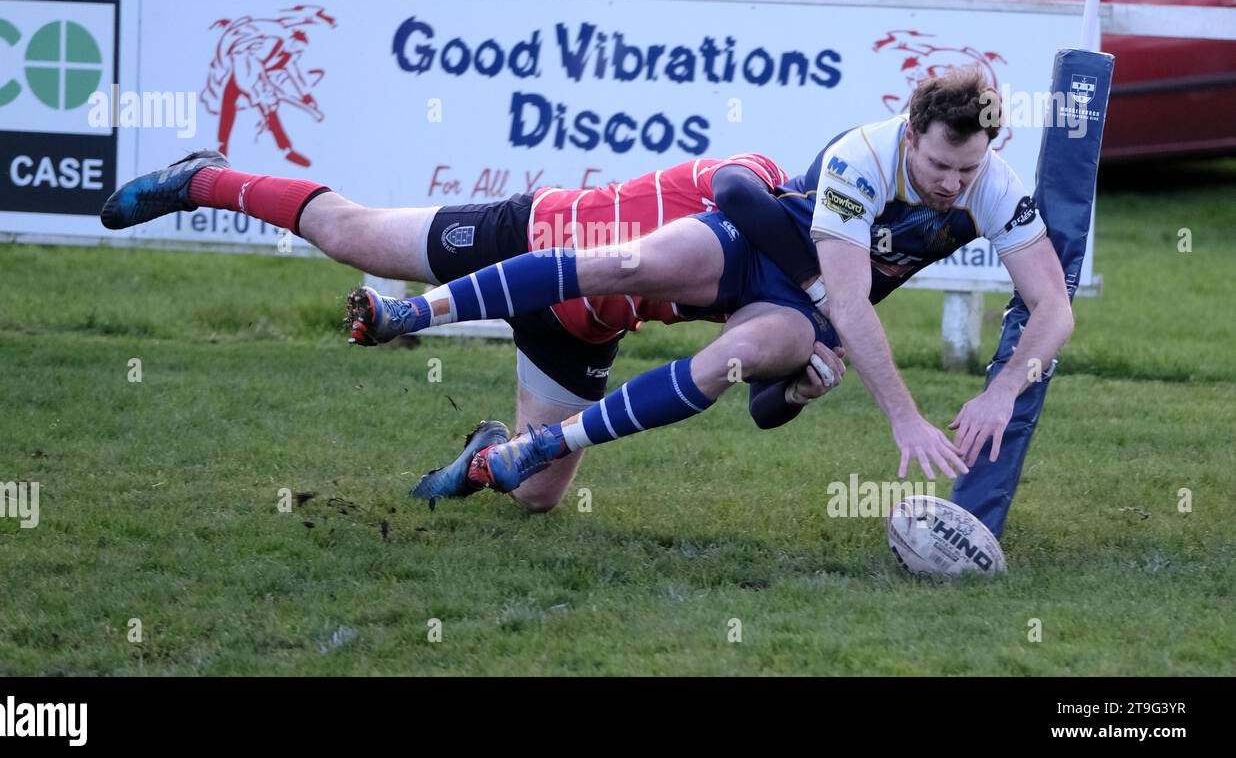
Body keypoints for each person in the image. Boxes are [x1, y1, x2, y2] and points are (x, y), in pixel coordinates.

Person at [352, 68, 1074, 501]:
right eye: (940, 166)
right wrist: (904, 417)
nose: (952, 185)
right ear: (911, 134)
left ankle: (536, 447)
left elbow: (1053, 309)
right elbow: (848, 300)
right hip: (759, 253)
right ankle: (409, 310)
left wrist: (1003, 389)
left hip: (798, 309)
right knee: (626, 263)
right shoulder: (865, 157)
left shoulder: (993, 187)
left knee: (727, 365)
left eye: (968, 171)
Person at [100, 148, 846, 513]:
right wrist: (816, 292)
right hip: (525, 236)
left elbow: (758, 400)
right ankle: (202, 179)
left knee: (538, 501)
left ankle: (489, 442)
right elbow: (741, 194)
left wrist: (803, 383)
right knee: (347, 233)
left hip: (583, 332)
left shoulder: (798, 304)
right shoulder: (761, 178)